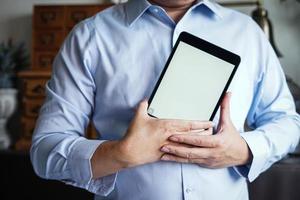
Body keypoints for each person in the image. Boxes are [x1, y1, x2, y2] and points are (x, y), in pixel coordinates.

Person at [30, 0, 300, 199]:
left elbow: (288, 122)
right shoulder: (89, 37)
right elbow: (45, 151)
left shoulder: (248, 33)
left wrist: (243, 150)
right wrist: (119, 154)